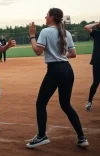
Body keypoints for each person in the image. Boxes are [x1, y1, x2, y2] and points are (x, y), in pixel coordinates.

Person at [27, 8, 89, 148]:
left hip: (54, 70)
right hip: (67, 70)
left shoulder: (45, 31)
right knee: (66, 104)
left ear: (52, 17)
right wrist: (60, 56)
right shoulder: (66, 32)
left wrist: (32, 36)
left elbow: (38, 51)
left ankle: (41, 136)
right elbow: (73, 53)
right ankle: (82, 137)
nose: (45, 17)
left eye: (47, 15)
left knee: (41, 103)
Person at [84, 21, 100, 111]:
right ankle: (89, 101)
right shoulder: (96, 34)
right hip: (97, 61)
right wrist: (97, 23)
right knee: (96, 83)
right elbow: (86, 27)